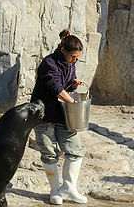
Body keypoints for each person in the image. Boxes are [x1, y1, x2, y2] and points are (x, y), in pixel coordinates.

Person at [31, 29, 87, 205]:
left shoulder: (70, 63)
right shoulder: (49, 63)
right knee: (49, 153)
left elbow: (64, 86)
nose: (74, 60)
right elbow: (55, 87)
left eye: (77, 57)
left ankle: (69, 187)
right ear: (63, 50)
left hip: (63, 115)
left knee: (75, 151)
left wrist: (72, 84)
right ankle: (54, 190)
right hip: (44, 115)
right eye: (73, 56)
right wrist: (72, 101)